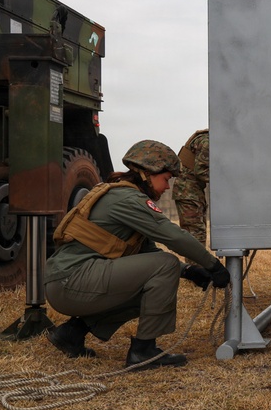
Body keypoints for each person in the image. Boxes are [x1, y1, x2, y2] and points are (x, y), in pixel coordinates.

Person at [44, 140, 231, 368]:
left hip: (68, 282)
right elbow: (172, 235)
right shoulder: (129, 199)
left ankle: (72, 333)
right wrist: (213, 265)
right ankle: (143, 352)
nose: (168, 187)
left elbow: (147, 251)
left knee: (149, 287)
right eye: (166, 179)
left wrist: (190, 271)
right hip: (72, 281)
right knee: (166, 264)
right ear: (147, 174)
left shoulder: (119, 195)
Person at [173, 128, 209, 258]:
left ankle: (199, 269)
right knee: (195, 234)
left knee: (197, 233)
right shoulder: (207, 141)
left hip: (191, 190)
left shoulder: (206, 138)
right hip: (188, 191)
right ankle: (197, 271)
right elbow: (202, 172)